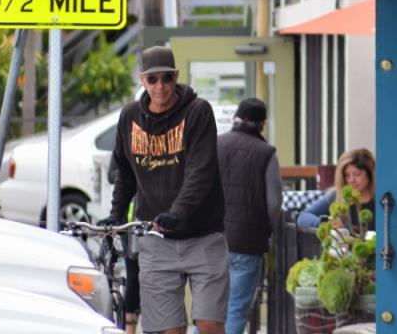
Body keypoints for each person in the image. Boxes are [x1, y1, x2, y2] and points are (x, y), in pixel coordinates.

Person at [109, 46, 228, 334]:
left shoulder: (198, 112)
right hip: (156, 238)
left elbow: (201, 171)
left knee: (209, 323)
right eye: (152, 80)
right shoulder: (129, 118)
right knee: (169, 329)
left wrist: (178, 212)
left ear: (176, 77)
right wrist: (115, 214)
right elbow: (125, 172)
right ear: (142, 80)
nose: (160, 86)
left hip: (203, 234)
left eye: (166, 78)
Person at [217, 97, 282, 334]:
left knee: (211, 312)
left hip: (211, 242)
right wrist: (268, 230)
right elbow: (274, 203)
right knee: (236, 309)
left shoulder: (215, 144)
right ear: (262, 124)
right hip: (248, 242)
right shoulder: (266, 153)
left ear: (236, 117)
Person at [295, 148, 375, 231]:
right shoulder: (336, 195)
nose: (352, 180)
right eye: (347, 175)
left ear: (370, 174)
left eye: (357, 174)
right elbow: (303, 217)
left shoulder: (381, 198)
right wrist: (326, 223)